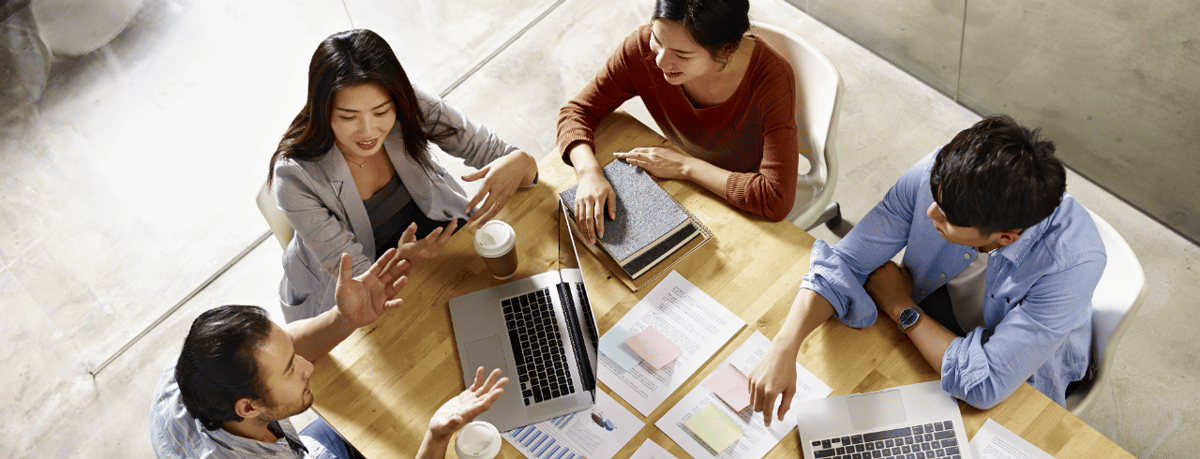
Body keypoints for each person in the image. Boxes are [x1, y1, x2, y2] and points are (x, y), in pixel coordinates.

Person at [748, 115, 1106, 425]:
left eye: (947, 218)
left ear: (1005, 237)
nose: (931, 213)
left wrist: (900, 306)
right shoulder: (941, 176)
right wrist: (785, 345)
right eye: (935, 200)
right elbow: (846, 263)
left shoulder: (1071, 264)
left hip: (1023, 372)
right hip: (940, 310)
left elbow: (985, 384)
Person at [270, 29, 539, 321]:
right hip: (353, 282)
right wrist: (401, 261)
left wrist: (520, 161)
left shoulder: (408, 103)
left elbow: (494, 152)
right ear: (321, 111)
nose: (368, 131)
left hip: (429, 235)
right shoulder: (293, 176)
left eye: (381, 112)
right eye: (348, 117)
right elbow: (357, 279)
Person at [149, 247, 510, 459]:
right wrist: (436, 436)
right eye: (291, 370)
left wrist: (343, 319)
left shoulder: (192, 371)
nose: (308, 365)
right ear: (248, 407)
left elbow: (271, 356)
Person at [558, 0, 800, 244]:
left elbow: (775, 198)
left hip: (735, 191)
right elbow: (577, 111)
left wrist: (685, 166)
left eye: (681, 55)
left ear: (726, 50)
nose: (660, 62)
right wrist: (588, 173)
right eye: (657, 39)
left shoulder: (771, 80)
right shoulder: (642, 48)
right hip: (678, 181)